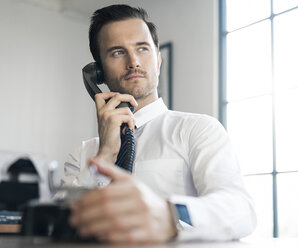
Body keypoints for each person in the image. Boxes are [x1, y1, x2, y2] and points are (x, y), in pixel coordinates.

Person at [63, 4, 256, 244]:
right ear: (98, 73)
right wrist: (103, 156)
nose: (133, 61)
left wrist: (170, 216)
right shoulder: (81, 155)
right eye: (117, 52)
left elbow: (240, 211)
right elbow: (62, 226)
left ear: (158, 59)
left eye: (142, 48)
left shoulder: (198, 130)